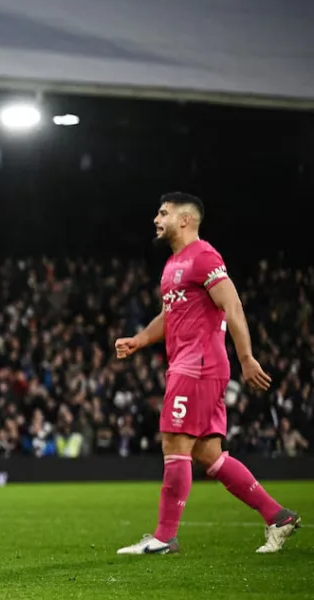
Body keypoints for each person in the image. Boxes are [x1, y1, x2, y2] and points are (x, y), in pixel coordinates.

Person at [115, 193, 301, 555]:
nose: (156, 218)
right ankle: (278, 516)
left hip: (198, 365)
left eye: (163, 213)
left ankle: (165, 537)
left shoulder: (203, 256)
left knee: (174, 441)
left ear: (185, 220)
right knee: (207, 453)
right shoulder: (172, 265)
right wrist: (140, 340)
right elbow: (170, 317)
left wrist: (246, 357)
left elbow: (231, 304)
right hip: (188, 363)